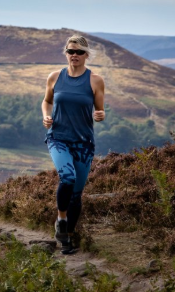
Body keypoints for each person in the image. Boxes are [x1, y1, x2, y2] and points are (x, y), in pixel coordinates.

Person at [42, 35, 105, 254]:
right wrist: (45, 116)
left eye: (79, 52)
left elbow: (100, 110)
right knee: (67, 177)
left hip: (83, 142)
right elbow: (47, 101)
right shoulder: (55, 77)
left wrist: (100, 115)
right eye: (70, 51)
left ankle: (67, 238)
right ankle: (61, 220)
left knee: (77, 193)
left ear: (87, 55)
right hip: (58, 137)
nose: (74, 55)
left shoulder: (95, 80)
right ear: (66, 53)